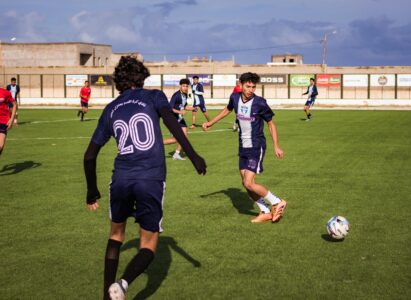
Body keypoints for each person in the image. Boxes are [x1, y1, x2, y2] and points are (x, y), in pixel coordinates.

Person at [83, 56, 206, 300]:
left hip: (120, 179)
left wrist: (91, 190)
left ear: (118, 81)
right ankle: (123, 284)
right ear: (142, 76)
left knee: (116, 235)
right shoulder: (153, 96)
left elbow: (89, 156)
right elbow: (173, 126)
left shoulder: (110, 109)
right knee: (149, 245)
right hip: (150, 178)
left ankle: (106, 295)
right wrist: (193, 156)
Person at [203, 72, 287, 223]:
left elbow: (271, 123)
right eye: (248, 86)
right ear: (240, 85)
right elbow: (227, 110)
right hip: (243, 146)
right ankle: (265, 211)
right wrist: (211, 122)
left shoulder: (260, 103)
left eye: (253, 87)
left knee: (249, 182)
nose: (251, 89)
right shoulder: (234, 97)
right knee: (245, 184)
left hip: (256, 146)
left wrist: (276, 146)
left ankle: (277, 202)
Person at [163, 78, 197, 160]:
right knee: (175, 140)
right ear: (180, 86)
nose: (185, 87)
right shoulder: (176, 95)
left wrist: (192, 108)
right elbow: (170, 108)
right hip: (172, 119)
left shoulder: (185, 94)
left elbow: (184, 106)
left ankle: (176, 154)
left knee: (184, 137)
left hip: (180, 119)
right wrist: (180, 112)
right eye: (184, 86)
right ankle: (156, 143)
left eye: (187, 86)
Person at [0, 86, 17, 156]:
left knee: (1, 147)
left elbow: (14, 104)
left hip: (3, 121)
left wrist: (11, 119)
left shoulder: (5, 92)